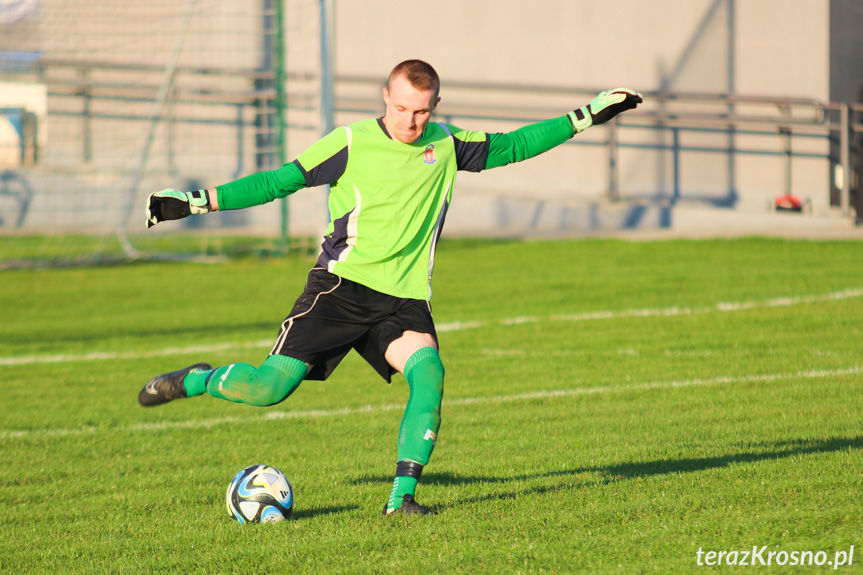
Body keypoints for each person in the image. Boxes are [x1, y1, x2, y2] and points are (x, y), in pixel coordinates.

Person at [139, 59, 642, 516]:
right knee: (269, 389)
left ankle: (402, 500)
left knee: (430, 375)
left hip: (402, 301)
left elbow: (514, 146)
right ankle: (200, 378)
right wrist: (197, 202)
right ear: (385, 96)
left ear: (436, 106)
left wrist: (586, 117)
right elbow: (278, 181)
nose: (411, 121)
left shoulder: (445, 144)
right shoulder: (351, 142)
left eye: (422, 111)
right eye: (402, 107)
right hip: (339, 290)